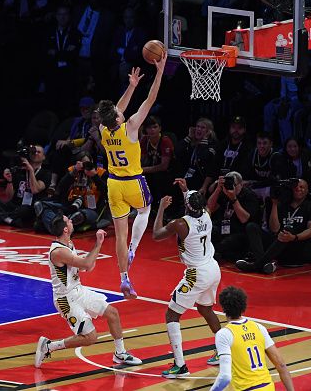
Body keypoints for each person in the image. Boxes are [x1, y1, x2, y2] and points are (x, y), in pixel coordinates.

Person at [98, 51, 167, 299]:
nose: (121, 111)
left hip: (113, 184)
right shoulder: (132, 126)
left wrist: (131, 86)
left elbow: (117, 108)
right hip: (133, 182)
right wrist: (159, 72)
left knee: (120, 233)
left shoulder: (103, 129)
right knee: (145, 210)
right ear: (118, 118)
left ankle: (123, 277)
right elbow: (151, 98)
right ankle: (134, 250)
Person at [34, 215, 142, 368]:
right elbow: (86, 263)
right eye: (69, 220)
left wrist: (90, 258)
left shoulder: (69, 244)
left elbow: (88, 267)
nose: (72, 220)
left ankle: (120, 353)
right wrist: (98, 244)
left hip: (78, 291)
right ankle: (49, 346)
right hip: (66, 299)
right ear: (65, 229)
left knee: (113, 313)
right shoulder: (59, 251)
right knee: (90, 337)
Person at [152, 183, 222, 377]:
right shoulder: (207, 213)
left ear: (187, 206)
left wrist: (160, 209)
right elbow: (195, 203)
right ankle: (223, 352)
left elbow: (156, 235)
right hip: (213, 268)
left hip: (197, 272)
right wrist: (186, 191)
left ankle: (180, 365)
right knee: (205, 309)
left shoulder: (180, 223)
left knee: (172, 315)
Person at [210, 286, 295, 391]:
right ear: (244, 306)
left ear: (223, 308)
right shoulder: (259, 328)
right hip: (268, 387)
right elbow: (281, 365)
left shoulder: (224, 334)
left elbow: (225, 376)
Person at [236, 179, 311, 274]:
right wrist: (275, 204)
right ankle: (264, 264)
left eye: (302, 187)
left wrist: (294, 237)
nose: (298, 189)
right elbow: (274, 229)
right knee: (252, 226)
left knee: (288, 230)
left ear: (307, 190)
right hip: (280, 246)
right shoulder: (283, 205)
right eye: (296, 187)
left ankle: (256, 265)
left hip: (299, 246)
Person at [0, 145, 51, 228]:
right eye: (33, 152)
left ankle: (2, 217)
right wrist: (9, 181)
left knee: (24, 210)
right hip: (14, 205)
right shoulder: (19, 171)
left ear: (44, 157)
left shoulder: (46, 173)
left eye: (38, 152)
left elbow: (35, 190)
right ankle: (9, 219)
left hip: (29, 208)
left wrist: (31, 171)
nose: (35, 153)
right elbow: (9, 196)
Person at [207, 171, 261, 261]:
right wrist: (218, 189)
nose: (230, 186)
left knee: (227, 243)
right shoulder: (225, 192)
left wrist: (233, 199)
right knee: (209, 229)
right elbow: (210, 208)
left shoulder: (249, 196)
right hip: (225, 228)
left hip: (241, 231)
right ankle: (215, 253)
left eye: (233, 184)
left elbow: (244, 219)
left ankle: (215, 253)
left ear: (241, 184)